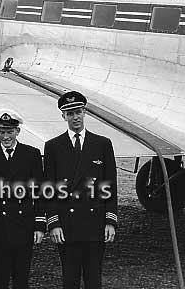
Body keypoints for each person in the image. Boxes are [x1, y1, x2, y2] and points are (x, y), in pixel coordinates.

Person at [44, 91, 117, 289]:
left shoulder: (102, 144)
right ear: (63, 116)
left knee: (94, 278)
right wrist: (54, 223)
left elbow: (110, 185)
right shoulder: (53, 146)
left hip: (95, 223)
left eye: (78, 112)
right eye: (70, 113)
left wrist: (110, 221)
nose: (75, 117)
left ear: (85, 112)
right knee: (70, 279)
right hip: (67, 225)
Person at [0, 109, 46, 289]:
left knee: (21, 277)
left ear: (18, 132)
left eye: (10, 132)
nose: (6, 136)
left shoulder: (31, 155)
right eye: (2, 131)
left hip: (23, 225)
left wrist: (39, 224)